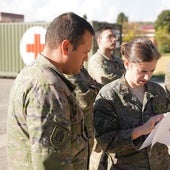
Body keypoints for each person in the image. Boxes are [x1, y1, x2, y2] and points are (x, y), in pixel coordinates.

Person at [7, 12, 94, 170]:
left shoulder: (32, 73)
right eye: (85, 52)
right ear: (66, 47)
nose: (86, 59)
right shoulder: (49, 87)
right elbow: (50, 163)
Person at [93, 38, 170, 170]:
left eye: (152, 71)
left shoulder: (157, 91)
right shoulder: (109, 96)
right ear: (127, 64)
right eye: (143, 71)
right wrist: (140, 131)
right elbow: (105, 141)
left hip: (161, 164)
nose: (147, 77)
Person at [66, 66, 102, 153]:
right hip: (78, 134)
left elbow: (97, 85)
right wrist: (95, 89)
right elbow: (85, 101)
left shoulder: (81, 70)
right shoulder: (71, 72)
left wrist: (92, 89)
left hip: (87, 129)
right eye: (84, 52)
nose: (86, 57)